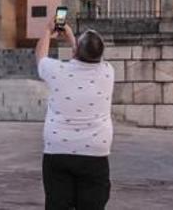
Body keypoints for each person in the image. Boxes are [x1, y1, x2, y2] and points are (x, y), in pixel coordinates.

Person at [35, 16, 114, 210]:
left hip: (58, 149)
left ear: (76, 50)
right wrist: (72, 38)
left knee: (57, 204)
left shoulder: (57, 70)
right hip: (95, 152)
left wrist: (47, 31)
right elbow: (86, 56)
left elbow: (41, 57)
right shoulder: (107, 72)